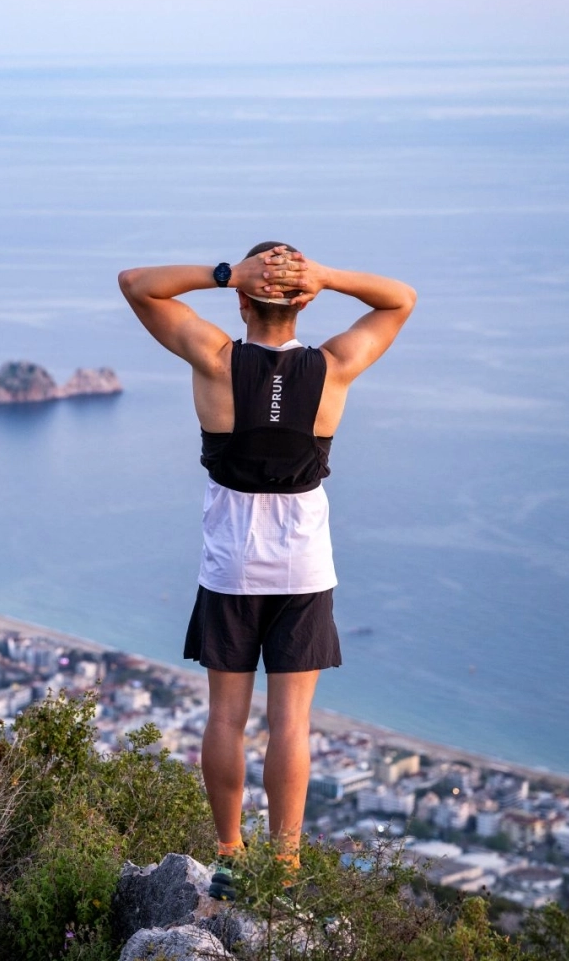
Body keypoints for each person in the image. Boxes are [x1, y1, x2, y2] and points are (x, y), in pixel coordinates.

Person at [117, 243, 415, 898]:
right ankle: (284, 865)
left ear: (242, 300)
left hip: (231, 568)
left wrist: (225, 273)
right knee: (291, 725)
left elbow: (136, 282)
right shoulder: (334, 368)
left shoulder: (215, 359)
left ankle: (229, 855)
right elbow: (401, 299)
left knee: (226, 718)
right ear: (304, 300)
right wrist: (327, 276)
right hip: (304, 569)